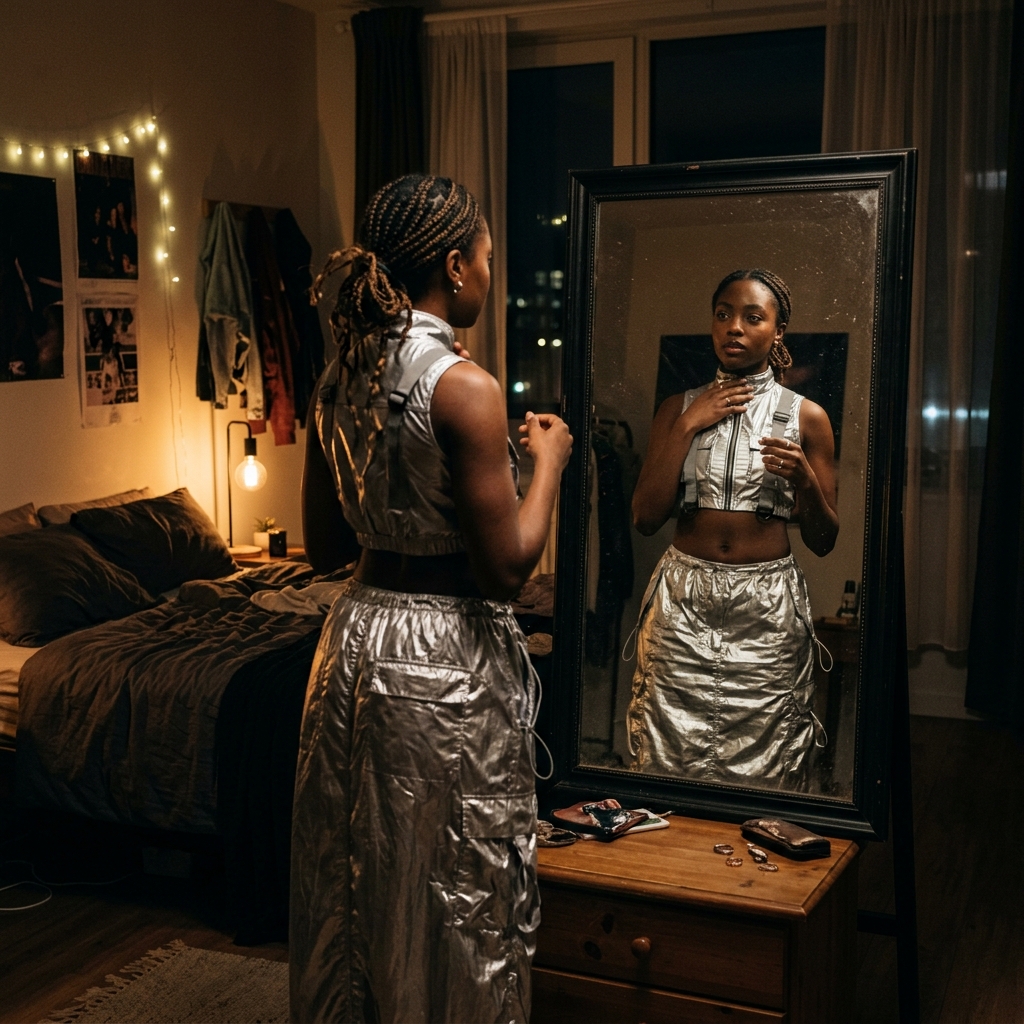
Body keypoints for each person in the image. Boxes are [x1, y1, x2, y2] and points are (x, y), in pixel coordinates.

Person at [290, 174, 572, 1024]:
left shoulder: (342, 372)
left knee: (356, 865)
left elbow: (326, 547)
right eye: (486, 257)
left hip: (355, 641)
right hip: (443, 656)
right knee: (456, 876)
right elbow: (505, 572)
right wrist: (548, 460)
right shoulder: (465, 386)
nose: (491, 272)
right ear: (455, 265)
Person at [626, 269, 838, 791]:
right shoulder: (676, 408)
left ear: (779, 330)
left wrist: (805, 481)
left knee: (765, 752)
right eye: (723, 314)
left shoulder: (808, 417)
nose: (734, 328)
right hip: (683, 599)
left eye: (752, 317)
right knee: (665, 746)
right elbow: (645, 517)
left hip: (765, 604)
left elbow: (825, 539)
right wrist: (686, 424)